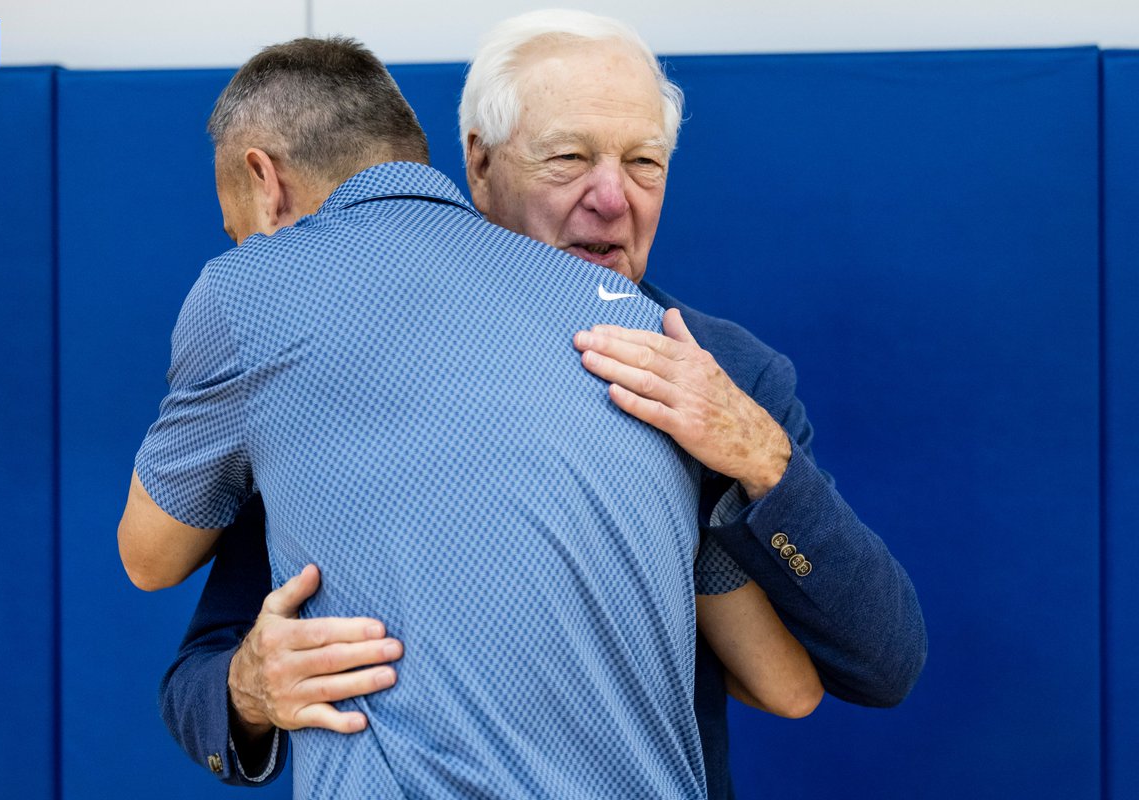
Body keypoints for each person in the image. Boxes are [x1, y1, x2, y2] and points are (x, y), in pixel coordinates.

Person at [159, 11, 926, 798]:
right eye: (568, 159)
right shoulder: (340, 353)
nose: (611, 198)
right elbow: (202, 667)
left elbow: (880, 662)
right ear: (479, 165)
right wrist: (248, 692)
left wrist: (763, 462)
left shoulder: (722, 374)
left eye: (644, 163)